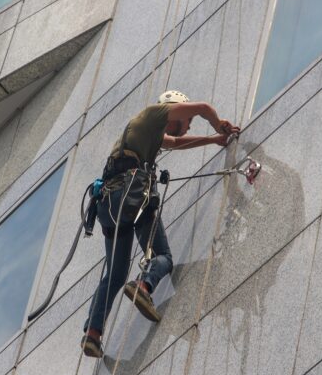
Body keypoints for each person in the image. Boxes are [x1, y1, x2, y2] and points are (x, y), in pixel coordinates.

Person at [81, 90, 240, 358]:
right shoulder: (153, 114)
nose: (187, 125)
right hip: (132, 196)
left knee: (115, 274)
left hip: (109, 205)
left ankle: (92, 334)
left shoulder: (145, 134)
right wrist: (218, 123)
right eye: (186, 119)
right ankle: (144, 286)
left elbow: (176, 143)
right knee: (163, 255)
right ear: (176, 109)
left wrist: (213, 140)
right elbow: (201, 107)